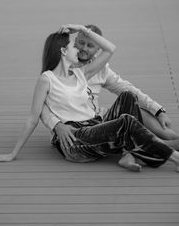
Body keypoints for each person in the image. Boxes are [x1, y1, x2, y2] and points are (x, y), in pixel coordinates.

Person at [0, 24, 179, 173]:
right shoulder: (47, 79)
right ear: (63, 51)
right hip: (73, 138)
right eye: (74, 44)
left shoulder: (81, 73)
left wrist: (81, 28)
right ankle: (171, 154)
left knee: (127, 97)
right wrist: (13, 153)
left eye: (86, 45)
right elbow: (34, 117)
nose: (78, 49)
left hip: (93, 125)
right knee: (127, 122)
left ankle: (135, 151)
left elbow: (110, 49)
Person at [41, 24, 179, 154]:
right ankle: (158, 147)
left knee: (131, 101)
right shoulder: (61, 67)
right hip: (71, 127)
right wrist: (56, 125)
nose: (84, 48)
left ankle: (172, 139)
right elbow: (42, 104)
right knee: (126, 122)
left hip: (96, 118)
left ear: (98, 49)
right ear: (74, 42)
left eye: (90, 45)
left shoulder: (101, 69)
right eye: (81, 43)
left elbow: (126, 88)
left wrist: (158, 110)